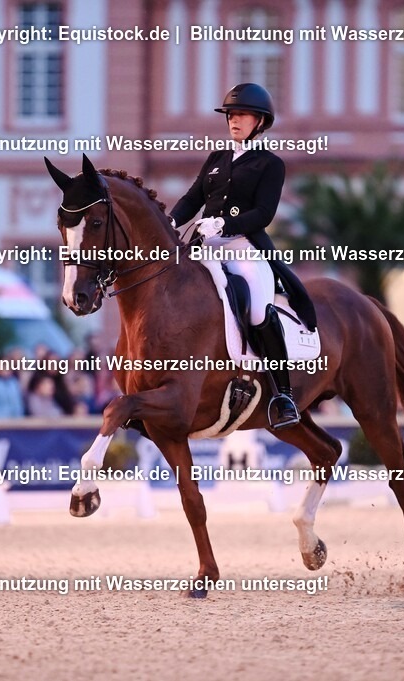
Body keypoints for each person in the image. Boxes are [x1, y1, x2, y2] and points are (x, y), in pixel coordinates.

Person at [168, 83, 315, 430]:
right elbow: (192, 199)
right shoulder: (216, 159)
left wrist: (225, 223)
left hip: (245, 248)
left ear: (260, 122)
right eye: (231, 115)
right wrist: (170, 222)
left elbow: (264, 213)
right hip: (206, 247)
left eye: (243, 115)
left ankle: (283, 395)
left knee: (259, 309)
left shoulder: (270, 164)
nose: (234, 120)